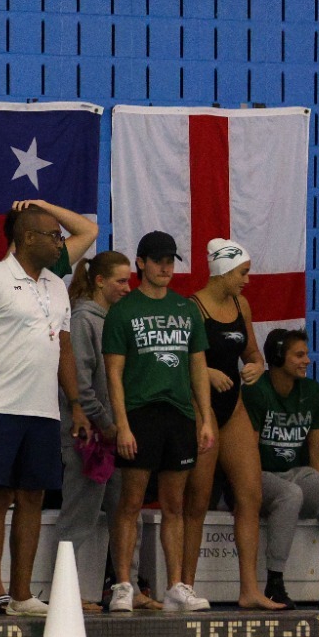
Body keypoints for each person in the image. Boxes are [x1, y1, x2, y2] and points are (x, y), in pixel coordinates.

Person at [0, 200, 96, 618]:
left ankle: (21, 593)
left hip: (44, 413)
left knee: (32, 496)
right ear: (28, 238)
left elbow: (63, 346)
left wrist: (76, 405)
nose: (60, 242)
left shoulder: (56, 285)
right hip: (1, 406)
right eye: (52, 236)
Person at [104, 231, 215, 613]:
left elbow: (198, 368)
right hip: (140, 414)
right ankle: (122, 584)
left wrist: (204, 419)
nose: (166, 267)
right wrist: (122, 424)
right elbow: (113, 374)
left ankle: (176, 585)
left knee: (175, 506)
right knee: (130, 502)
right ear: (141, 263)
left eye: (171, 260)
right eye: (158, 260)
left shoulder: (186, 311)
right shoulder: (123, 312)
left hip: (179, 416)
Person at [181, 240, 287, 611]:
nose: (247, 279)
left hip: (235, 410)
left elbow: (252, 353)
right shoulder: (192, 309)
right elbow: (175, 361)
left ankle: (249, 590)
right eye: (243, 272)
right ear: (223, 270)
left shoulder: (242, 305)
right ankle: (186, 588)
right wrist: (205, 371)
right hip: (202, 411)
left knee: (250, 496)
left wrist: (256, 366)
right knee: (196, 501)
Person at [243, 329, 319, 610]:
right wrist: (250, 491)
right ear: (277, 358)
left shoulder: (312, 392)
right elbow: (247, 452)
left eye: (307, 354)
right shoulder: (256, 390)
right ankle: (274, 583)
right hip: (259, 474)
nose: (307, 360)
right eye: (299, 355)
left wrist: (317, 489)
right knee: (290, 494)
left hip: (296, 473)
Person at [56, 251, 131, 612]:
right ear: (100, 281)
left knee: (124, 509)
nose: (127, 288)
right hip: (88, 435)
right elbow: (82, 387)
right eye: (121, 281)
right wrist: (108, 424)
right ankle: (64, 594)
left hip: (112, 434)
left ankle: (124, 586)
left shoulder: (111, 320)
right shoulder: (85, 321)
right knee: (79, 515)